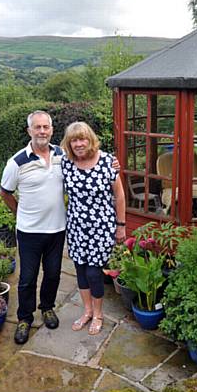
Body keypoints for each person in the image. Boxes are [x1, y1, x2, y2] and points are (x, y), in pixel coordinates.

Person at [0, 111, 65, 344]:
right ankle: (25, 318)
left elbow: (87, 159)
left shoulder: (62, 155)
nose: (42, 131)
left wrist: (112, 161)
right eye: (37, 127)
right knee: (27, 278)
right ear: (29, 131)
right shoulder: (17, 162)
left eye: (45, 127)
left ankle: (47, 307)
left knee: (54, 274)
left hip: (57, 230)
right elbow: (5, 193)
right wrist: (21, 214)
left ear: (51, 130)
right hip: (29, 232)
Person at [60, 122, 126, 336]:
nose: (79, 144)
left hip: (102, 227)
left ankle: (98, 314)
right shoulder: (65, 163)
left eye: (83, 139)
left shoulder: (107, 162)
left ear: (90, 139)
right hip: (77, 227)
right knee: (80, 269)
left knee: (94, 272)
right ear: (69, 144)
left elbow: (120, 196)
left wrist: (121, 226)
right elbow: (42, 151)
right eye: (74, 140)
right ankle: (87, 311)